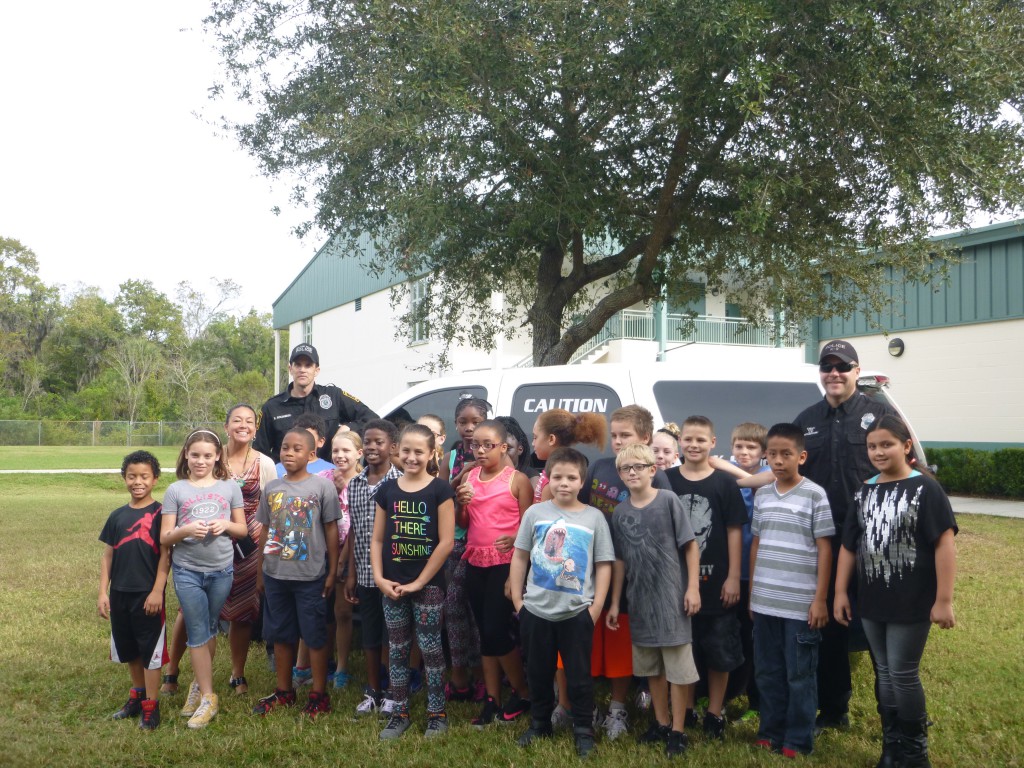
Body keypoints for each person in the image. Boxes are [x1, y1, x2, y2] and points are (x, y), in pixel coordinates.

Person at [835, 415, 957, 768]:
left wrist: (944, 600)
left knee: (902, 673)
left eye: (886, 444)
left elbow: (943, 545)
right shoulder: (865, 490)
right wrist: (841, 592)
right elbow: (849, 546)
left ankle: (915, 753)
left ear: (906, 446)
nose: (878, 452)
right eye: (872, 446)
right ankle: (892, 749)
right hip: (873, 600)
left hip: (912, 600)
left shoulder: (926, 489)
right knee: (884, 673)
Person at [794, 339, 897, 731]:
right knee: (830, 629)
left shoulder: (880, 414)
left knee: (880, 629)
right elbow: (788, 470)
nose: (834, 373)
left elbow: (905, 468)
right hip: (825, 541)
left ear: (857, 371)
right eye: (827, 366)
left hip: (875, 541)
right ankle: (834, 710)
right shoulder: (806, 419)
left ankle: (893, 714)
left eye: (843, 366)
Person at [573, 404, 673, 739]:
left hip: (636, 574)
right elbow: (580, 506)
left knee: (622, 639)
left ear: (645, 438)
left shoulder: (655, 475)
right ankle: (586, 702)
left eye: (625, 435)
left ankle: (619, 706)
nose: (616, 441)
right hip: (593, 567)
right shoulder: (599, 467)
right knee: (592, 633)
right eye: (613, 435)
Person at [510, 447, 614, 759]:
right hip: (536, 611)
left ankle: (583, 729)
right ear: (547, 479)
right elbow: (520, 555)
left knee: (579, 676)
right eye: (557, 477)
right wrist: (519, 601)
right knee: (539, 673)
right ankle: (540, 723)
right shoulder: (535, 514)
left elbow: (604, 563)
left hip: (577, 613)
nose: (564, 483)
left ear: (582, 481)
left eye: (571, 477)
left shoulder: (594, 517)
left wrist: (594, 608)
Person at [607, 444, 701, 758]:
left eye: (638, 466)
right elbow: (619, 560)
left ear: (653, 469)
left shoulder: (669, 501)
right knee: (651, 669)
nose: (632, 472)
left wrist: (692, 589)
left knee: (677, 670)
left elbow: (690, 546)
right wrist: (616, 602)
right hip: (640, 602)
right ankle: (660, 722)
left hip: (672, 599)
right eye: (625, 468)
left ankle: (678, 730)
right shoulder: (620, 513)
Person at [749, 423, 834, 758]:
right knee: (767, 673)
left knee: (799, 675)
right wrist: (753, 591)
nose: (779, 461)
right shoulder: (763, 494)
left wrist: (820, 600)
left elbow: (824, 548)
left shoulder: (814, 494)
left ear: (802, 456)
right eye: (773, 454)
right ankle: (769, 732)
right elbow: (756, 543)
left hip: (800, 605)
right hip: (766, 601)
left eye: (786, 454)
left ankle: (797, 740)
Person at [666, 415, 747, 741]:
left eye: (701, 440)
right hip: (675, 584)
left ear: (713, 444)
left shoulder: (724, 483)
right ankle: (683, 709)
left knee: (719, 651)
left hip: (717, 585)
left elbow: (733, 531)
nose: (694, 445)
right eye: (688, 439)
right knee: (683, 651)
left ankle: (715, 712)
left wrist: (733, 577)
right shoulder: (666, 480)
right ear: (679, 442)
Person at [372, 424, 456, 739]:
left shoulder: (440, 490)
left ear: (432, 453)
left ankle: (437, 713)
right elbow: (378, 539)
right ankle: (400, 711)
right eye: (405, 450)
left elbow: (446, 542)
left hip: (429, 587)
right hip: (392, 586)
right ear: (397, 451)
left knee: (431, 649)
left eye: (418, 451)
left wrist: (420, 581)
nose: (411, 457)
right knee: (397, 649)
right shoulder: (388, 490)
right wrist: (380, 578)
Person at [251, 428, 341, 719]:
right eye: (285, 447)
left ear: (312, 455)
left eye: (297, 449)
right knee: (281, 634)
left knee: (314, 635)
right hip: (276, 574)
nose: (289, 453)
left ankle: (318, 694)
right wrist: (260, 572)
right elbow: (265, 530)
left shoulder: (322, 487)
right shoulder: (273, 488)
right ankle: (284, 691)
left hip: (311, 576)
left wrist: (331, 570)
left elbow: (331, 529)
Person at [159, 429, 247, 729]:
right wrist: (187, 530)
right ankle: (209, 697)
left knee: (209, 629)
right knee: (197, 631)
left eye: (207, 455)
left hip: (222, 570)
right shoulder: (176, 490)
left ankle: (198, 683)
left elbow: (243, 530)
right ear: (186, 454)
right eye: (195, 455)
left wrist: (224, 524)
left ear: (217, 456)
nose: (201, 460)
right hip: (187, 571)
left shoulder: (229, 488)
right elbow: (166, 536)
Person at [455, 419, 534, 726]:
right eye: (476, 444)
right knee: (484, 635)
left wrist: (515, 540)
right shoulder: (470, 477)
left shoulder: (517, 480)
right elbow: (465, 520)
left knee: (496, 630)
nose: (481, 450)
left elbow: (530, 525)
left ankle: (523, 691)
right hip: (475, 559)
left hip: (506, 563)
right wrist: (461, 502)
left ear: (504, 447)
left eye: (489, 445)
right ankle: (492, 699)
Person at [98, 450, 170, 731]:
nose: (137, 482)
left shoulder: (162, 513)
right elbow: (108, 557)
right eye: (132, 476)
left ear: (155, 479)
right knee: (129, 648)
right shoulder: (117, 516)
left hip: (147, 594)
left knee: (150, 650)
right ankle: (137, 696)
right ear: (124, 478)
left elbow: (166, 556)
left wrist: (157, 591)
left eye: (144, 476)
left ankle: (152, 706)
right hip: (120, 594)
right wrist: (103, 592)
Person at [710, 421, 771, 716]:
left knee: (754, 637)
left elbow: (753, 481)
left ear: (763, 452)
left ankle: (755, 698)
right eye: (739, 447)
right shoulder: (722, 470)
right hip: (731, 570)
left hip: (758, 572)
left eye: (751, 447)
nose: (744, 452)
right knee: (729, 635)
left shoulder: (767, 474)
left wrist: (732, 469)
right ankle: (727, 693)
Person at [345, 419, 404, 715]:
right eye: (367, 441)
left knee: (392, 634)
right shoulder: (354, 484)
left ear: (393, 447)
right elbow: (354, 529)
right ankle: (372, 690)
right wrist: (351, 572)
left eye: (378, 442)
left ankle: (394, 689)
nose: (371, 447)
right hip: (365, 574)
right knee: (369, 632)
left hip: (393, 575)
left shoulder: (402, 483)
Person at [220, 404, 277, 696]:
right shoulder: (213, 458)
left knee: (242, 610)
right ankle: (173, 671)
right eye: (237, 420)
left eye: (250, 421)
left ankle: (237, 674)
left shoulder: (264, 463)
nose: (243, 425)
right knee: (197, 609)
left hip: (250, 544)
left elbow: (271, 507)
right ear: (226, 426)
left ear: (256, 429)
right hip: (213, 540)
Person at [436, 403, 487, 703]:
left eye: (476, 422)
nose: (469, 428)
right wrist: (460, 478)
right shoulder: (450, 458)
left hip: (481, 544)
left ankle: (480, 674)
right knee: (454, 611)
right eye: (463, 422)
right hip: (453, 542)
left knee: (471, 609)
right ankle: (459, 674)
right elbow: (441, 497)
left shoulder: (493, 457)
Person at [254, 343, 378, 463]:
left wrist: (348, 428)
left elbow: (372, 419)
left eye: (308, 365)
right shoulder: (272, 407)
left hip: (329, 476)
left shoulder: (333, 396)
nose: (302, 370)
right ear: (290, 369)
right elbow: (259, 451)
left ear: (316, 370)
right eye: (298, 365)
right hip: (287, 478)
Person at [323, 430, 362, 689]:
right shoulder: (323, 479)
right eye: (336, 451)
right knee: (321, 610)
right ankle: (319, 661)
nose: (340, 456)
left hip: (352, 555)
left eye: (346, 451)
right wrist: (333, 490)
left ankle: (342, 667)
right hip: (324, 551)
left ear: (359, 453)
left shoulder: (363, 481)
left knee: (343, 611)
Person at [530, 408, 606, 502]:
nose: (533, 443)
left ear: (551, 439)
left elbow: (545, 515)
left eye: (535, 437)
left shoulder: (554, 483)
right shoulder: (550, 471)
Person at [275, 412, 335, 477]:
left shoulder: (332, 471)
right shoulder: (277, 469)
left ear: (320, 441)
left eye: (308, 436)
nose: (301, 441)